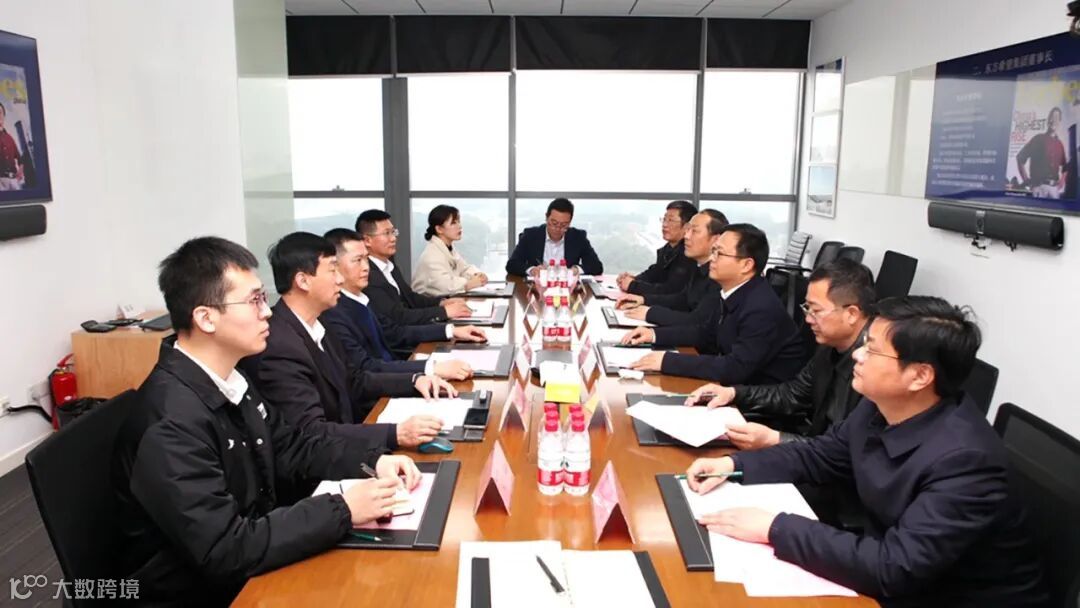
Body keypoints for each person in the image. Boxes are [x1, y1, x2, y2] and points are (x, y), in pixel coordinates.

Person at [113, 236, 422, 605]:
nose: (268, 312)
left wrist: (372, 460)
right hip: (204, 592)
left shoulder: (231, 379)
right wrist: (343, 508)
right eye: (254, 300)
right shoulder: (171, 423)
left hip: (254, 556)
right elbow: (226, 549)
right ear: (206, 318)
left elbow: (293, 446)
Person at [685, 296, 1047, 607]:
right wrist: (733, 464)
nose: (857, 354)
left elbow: (896, 567)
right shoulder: (880, 405)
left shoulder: (967, 461)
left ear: (920, 376)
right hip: (891, 572)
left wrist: (774, 527)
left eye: (872, 349)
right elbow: (819, 455)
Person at [251, 232, 457, 452]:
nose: (340, 279)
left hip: (347, 441)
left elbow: (354, 379)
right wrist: (395, 434)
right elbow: (311, 432)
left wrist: (414, 381)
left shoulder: (320, 323)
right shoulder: (278, 346)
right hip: (327, 460)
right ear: (303, 281)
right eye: (332, 270)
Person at [684, 258, 876, 450]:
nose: (808, 319)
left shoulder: (875, 370)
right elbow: (792, 394)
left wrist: (775, 439)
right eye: (807, 308)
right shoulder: (830, 347)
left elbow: (846, 452)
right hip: (813, 453)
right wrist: (733, 393)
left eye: (816, 310)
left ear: (851, 314)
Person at [624, 224, 807, 384]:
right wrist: (654, 335)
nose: (712, 258)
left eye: (720, 253)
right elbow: (706, 334)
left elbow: (735, 367)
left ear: (746, 265)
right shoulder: (735, 292)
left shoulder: (761, 307)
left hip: (758, 401)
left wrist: (667, 361)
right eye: (713, 251)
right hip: (734, 389)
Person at [321, 228, 487, 378]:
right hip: (383, 386)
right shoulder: (335, 312)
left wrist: (451, 331)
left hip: (395, 372)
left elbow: (394, 333)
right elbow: (366, 368)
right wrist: (430, 369)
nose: (366, 267)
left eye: (366, 259)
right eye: (358, 260)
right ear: (334, 266)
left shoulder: (361, 298)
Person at [356, 209, 472, 325]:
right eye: (386, 233)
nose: (393, 238)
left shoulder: (389, 265)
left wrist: (441, 303)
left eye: (393, 232)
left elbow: (410, 298)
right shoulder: (367, 274)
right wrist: (444, 312)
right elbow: (398, 317)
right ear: (367, 240)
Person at [615, 209, 728, 326]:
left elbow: (699, 322)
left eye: (694, 231)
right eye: (688, 229)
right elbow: (682, 300)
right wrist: (644, 300)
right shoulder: (699, 266)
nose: (686, 236)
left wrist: (651, 313)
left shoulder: (719, 275)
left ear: (716, 239)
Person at [616, 200, 698, 296]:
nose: (664, 225)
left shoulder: (689, 254)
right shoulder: (667, 249)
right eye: (664, 219)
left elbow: (671, 290)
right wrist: (634, 279)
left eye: (671, 220)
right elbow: (654, 273)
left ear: (687, 227)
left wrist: (632, 286)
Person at [505, 198, 603, 277]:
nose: (558, 228)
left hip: (567, 290)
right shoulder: (530, 235)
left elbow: (596, 266)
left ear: (570, 222)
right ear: (546, 218)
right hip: (538, 289)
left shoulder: (578, 237)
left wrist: (575, 270)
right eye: (554, 223)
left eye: (564, 225)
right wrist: (532, 270)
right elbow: (512, 264)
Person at [412, 204, 489, 296]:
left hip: (445, 300)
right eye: (453, 223)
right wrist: (469, 283)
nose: (459, 226)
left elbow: (464, 268)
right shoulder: (431, 256)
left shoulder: (448, 248)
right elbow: (446, 286)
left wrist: (478, 275)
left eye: (458, 222)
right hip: (428, 303)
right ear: (439, 229)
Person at [1016, 106, 1068, 199]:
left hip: (1054, 190)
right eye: (1051, 117)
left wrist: (1062, 181)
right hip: (1038, 189)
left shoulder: (1060, 144)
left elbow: (1065, 167)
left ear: (1059, 122)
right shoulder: (1038, 139)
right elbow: (1020, 157)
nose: (1053, 120)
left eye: (1056, 118)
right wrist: (1026, 180)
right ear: (1048, 120)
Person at [0, 102, 23, 191]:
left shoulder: (10, 138)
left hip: (14, 181)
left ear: (4, 116)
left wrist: (20, 171)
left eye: (0, 113)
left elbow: (20, 159)